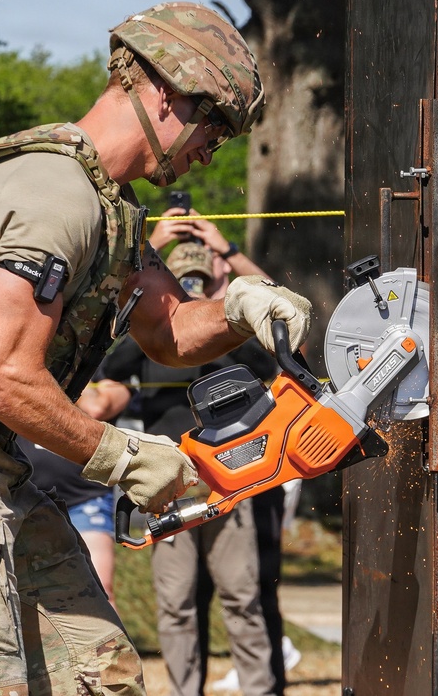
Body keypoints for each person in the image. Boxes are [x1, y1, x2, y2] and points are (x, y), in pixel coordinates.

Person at [0, 1, 313, 696]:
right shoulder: (59, 196)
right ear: (167, 93)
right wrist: (122, 456)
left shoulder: (106, 204)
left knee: (98, 675)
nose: (214, 148)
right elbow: (0, 376)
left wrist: (241, 307)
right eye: (215, 125)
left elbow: (169, 331)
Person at [101, 240, 280, 696]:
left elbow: (269, 364)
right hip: (172, 486)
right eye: (185, 282)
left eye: (201, 279)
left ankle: (259, 689)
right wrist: (156, 282)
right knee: (177, 601)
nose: (194, 287)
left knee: (243, 596)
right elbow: (112, 360)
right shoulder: (154, 340)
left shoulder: (229, 337)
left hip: (229, 482)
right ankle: (185, 691)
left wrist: (220, 314)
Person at [15, 372, 131, 608]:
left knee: (100, 589)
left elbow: (96, 407)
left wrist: (70, 375)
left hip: (85, 499)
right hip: (23, 497)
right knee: (25, 592)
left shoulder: (101, 371)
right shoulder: (20, 367)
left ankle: (112, 646)